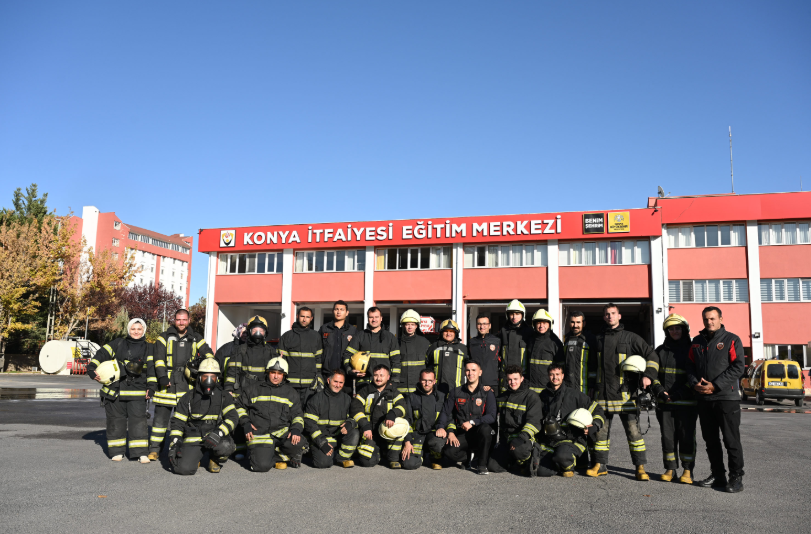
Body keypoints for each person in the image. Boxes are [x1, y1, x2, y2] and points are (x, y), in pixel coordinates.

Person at [587, 303, 655, 481]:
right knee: (600, 433)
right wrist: (591, 387)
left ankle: (640, 468)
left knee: (634, 433)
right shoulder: (598, 339)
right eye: (607, 314)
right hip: (602, 395)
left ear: (619, 316)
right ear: (604, 317)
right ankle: (600, 465)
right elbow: (593, 366)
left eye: (613, 313)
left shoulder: (631, 338)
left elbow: (651, 355)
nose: (610, 316)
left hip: (626, 395)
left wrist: (648, 375)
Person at [687, 306, 745, 493]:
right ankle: (718, 475)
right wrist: (694, 383)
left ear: (720, 318)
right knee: (710, 440)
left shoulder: (731, 340)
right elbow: (689, 367)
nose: (709, 322)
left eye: (712, 318)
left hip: (726, 398)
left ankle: (736, 478)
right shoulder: (696, 342)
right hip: (704, 400)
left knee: (731, 440)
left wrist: (715, 385)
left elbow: (738, 367)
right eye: (706, 319)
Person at [148, 309, 214, 460]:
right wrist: (162, 377)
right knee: (160, 421)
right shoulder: (163, 337)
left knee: (185, 420)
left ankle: (182, 449)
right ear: (174, 320)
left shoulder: (196, 338)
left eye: (184, 320)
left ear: (189, 320)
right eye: (178, 319)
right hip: (167, 385)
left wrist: (203, 369)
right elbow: (158, 359)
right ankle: (154, 450)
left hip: (187, 383)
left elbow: (209, 354)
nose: (181, 322)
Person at [87, 318, 151, 463]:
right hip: (115, 391)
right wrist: (91, 368)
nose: (136, 331)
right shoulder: (118, 343)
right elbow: (101, 354)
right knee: (116, 421)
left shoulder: (149, 348)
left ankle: (141, 453)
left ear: (144, 331)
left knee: (139, 422)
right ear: (128, 329)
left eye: (139, 329)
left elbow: (152, 371)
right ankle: (117, 451)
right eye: (133, 329)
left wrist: (151, 388)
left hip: (137, 392)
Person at [649, 314, 698, 484]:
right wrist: (660, 391)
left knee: (686, 437)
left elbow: (695, 376)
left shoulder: (693, 350)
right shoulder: (660, 351)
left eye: (678, 328)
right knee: (667, 437)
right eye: (671, 329)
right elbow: (652, 374)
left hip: (687, 403)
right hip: (665, 403)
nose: (675, 331)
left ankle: (687, 470)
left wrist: (679, 393)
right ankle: (670, 469)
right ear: (667, 331)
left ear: (684, 330)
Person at [167, 359, 238, 475]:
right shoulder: (188, 397)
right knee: (182, 469)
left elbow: (233, 418)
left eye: (213, 377)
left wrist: (218, 433)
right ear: (199, 377)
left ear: (217, 378)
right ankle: (195, 458)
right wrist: (175, 443)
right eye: (206, 377)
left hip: (215, 436)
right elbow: (177, 422)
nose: (209, 381)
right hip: (194, 437)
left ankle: (215, 458)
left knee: (226, 446)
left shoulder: (224, 396)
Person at [235, 357, 307, 471]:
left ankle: (278, 456)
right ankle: (266, 455)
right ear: (267, 372)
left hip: (281, 433)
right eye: (273, 372)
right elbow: (238, 406)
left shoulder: (291, 393)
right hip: (261, 434)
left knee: (300, 443)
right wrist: (246, 423)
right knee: (261, 467)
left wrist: (296, 429)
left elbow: (298, 414)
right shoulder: (253, 389)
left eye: (279, 373)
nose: (276, 376)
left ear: (284, 375)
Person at [536, 363, 605, 477]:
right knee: (541, 471)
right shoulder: (543, 396)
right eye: (552, 374)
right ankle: (568, 462)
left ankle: (569, 463)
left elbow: (596, 408)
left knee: (562, 456)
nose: (555, 377)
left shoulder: (574, 395)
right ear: (548, 376)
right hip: (550, 440)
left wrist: (595, 425)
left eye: (557, 374)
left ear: (563, 376)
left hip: (572, 439)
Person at [225, 315, 276, 458]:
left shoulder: (271, 351)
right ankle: (240, 448)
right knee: (241, 417)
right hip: (243, 387)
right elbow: (232, 371)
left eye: (261, 329)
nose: (258, 332)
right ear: (250, 331)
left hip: (262, 388)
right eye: (255, 329)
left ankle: (257, 447)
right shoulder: (240, 349)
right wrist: (229, 389)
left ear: (266, 332)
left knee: (259, 417)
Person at [436, 360, 497, 475]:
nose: (470, 373)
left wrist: (473, 422)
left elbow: (492, 416)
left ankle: (482, 464)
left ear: (480, 372)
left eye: (474, 370)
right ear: (464, 372)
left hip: (481, 433)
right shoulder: (456, 392)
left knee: (486, 429)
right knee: (449, 452)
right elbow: (445, 412)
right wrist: (442, 428)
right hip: (463, 433)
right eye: (468, 370)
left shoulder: (487, 392)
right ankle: (468, 457)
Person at [349, 364, 408, 468]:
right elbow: (355, 408)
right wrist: (365, 426)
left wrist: (392, 414)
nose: (378, 378)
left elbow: (402, 406)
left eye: (382, 375)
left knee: (398, 429)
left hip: (388, 430)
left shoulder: (393, 391)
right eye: (376, 375)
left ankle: (393, 459)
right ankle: (379, 454)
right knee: (368, 463)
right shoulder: (365, 390)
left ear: (388, 377)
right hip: (370, 431)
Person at [488, 365, 543, 474]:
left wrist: (520, 439)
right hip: (507, 440)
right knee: (492, 466)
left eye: (516, 379)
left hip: (523, 438)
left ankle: (526, 459)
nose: (513, 382)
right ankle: (513, 461)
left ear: (522, 379)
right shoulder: (502, 397)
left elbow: (534, 422)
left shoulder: (531, 396)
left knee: (520, 451)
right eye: (510, 379)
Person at [303, 369, 359, 469]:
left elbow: (355, 417)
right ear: (328, 380)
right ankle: (313, 452)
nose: (338, 385)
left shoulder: (347, 399)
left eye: (341, 382)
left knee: (354, 433)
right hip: (321, 439)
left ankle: (341, 458)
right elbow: (309, 424)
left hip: (338, 437)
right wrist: (321, 443)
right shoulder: (316, 399)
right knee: (323, 464)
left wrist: (350, 423)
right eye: (335, 381)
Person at [344, 307, 400, 390]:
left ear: (381, 318)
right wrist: (349, 370)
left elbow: (396, 361)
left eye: (376, 317)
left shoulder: (390, 338)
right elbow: (347, 355)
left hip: (384, 384)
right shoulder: (360, 336)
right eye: (371, 317)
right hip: (364, 383)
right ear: (368, 319)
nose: (374, 320)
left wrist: (394, 381)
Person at [278, 307, 324, 408]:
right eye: (302, 316)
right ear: (297, 316)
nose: (304, 319)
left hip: (310, 384)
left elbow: (318, 359)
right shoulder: (287, 336)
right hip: (290, 383)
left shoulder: (316, 336)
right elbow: (281, 360)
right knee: (290, 410)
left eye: (307, 317)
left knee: (308, 411)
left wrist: (319, 376)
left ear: (311, 318)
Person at [402, 369, 446, 470]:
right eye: (424, 380)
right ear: (419, 380)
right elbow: (406, 420)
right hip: (417, 435)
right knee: (408, 464)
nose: (427, 384)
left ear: (434, 381)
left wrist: (449, 431)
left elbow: (448, 417)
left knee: (438, 443)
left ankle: (435, 458)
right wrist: (407, 441)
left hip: (434, 434)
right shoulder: (411, 397)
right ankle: (420, 457)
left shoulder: (441, 397)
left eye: (430, 381)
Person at [319, 301, 359, 393]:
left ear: (347, 312)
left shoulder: (353, 330)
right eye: (336, 309)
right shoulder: (324, 329)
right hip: (327, 374)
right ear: (333, 311)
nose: (338, 312)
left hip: (346, 375)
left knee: (345, 403)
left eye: (341, 310)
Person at [526, 309, 564, 394]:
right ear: (534, 324)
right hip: (530, 389)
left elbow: (561, 368)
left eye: (544, 323)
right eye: (538, 323)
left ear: (550, 324)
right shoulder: (530, 341)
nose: (541, 325)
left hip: (548, 389)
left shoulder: (555, 342)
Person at [426, 319, 468, 396]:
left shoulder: (463, 349)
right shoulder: (434, 347)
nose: (448, 333)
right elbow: (427, 366)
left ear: (456, 333)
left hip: (458, 391)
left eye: (451, 331)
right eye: (446, 331)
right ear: (441, 332)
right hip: (436, 391)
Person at [499, 299, 533, 392]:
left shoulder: (529, 332)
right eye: (511, 314)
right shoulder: (503, 331)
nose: (514, 317)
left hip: (523, 378)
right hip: (505, 378)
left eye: (517, 314)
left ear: (523, 314)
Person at [397, 309, 431, 395]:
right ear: (403, 326)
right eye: (407, 324)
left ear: (416, 326)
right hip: (400, 389)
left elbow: (430, 364)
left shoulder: (424, 342)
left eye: (412, 324)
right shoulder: (396, 343)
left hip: (419, 388)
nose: (410, 327)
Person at [563, 311, 596, 394]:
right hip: (568, 387)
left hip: (585, 388)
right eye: (572, 322)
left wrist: (592, 385)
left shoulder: (590, 340)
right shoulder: (566, 340)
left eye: (578, 322)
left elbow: (594, 364)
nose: (575, 325)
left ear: (584, 323)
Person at [467, 314, 501, 391]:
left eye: (485, 324)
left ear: (490, 325)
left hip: (493, 385)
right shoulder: (471, 342)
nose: (482, 327)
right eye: (479, 324)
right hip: (475, 384)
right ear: (476, 326)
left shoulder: (497, 341)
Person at [215, 323, 247, 390]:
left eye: (247, 333)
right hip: (226, 388)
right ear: (238, 332)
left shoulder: (251, 349)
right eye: (243, 332)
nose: (245, 335)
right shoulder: (224, 349)